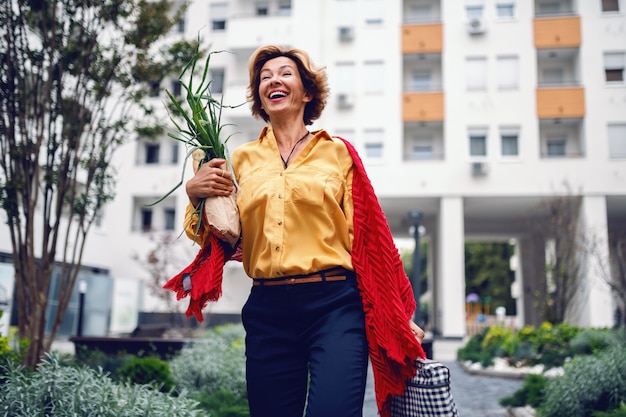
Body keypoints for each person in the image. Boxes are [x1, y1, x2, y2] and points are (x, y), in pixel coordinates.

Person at [177, 45, 425, 417]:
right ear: (260, 95)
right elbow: (217, 235)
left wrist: (397, 312)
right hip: (268, 309)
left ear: (307, 92)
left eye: (284, 73)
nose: (273, 80)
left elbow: (370, 239)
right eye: (265, 77)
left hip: (335, 306)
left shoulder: (338, 153)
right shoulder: (241, 160)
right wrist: (195, 194)